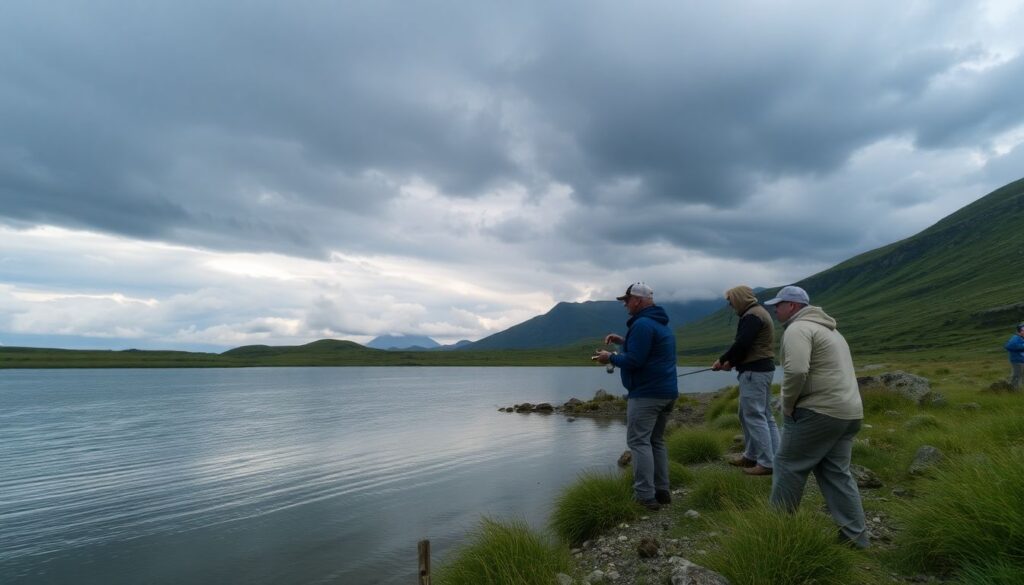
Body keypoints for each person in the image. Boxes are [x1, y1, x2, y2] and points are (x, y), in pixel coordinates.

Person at [763, 285, 869, 549]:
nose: (775, 308)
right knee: (836, 474)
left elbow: (797, 371)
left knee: (787, 465)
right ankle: (855, 539)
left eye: (780, 304)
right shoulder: (832, 331)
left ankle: (775, 536)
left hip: (818, 412)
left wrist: (787, 404)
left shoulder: (798, 329)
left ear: (794, 307)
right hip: (849, 413)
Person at [593, 282, 679, 511]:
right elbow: (647, 350)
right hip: (666, 393)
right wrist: (623, 341)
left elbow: (634, 361)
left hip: (647, 395)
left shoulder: (642, 325)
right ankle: (662, 491)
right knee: (656, 441)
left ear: (638, 301)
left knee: (639, 442)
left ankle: (644, 495)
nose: (625, 305)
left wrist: (609, 357)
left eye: (627, 300)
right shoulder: (659, 323)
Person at [712, 285, 779, 476]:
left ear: (739, 299)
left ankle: (766, 463)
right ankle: (753, 456)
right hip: (759, 370)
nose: (731, 306)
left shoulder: (752, 316)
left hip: (754, 373)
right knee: (757, 415)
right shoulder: (756, 313)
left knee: (756, 416)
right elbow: (745, 346)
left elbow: (742, 344)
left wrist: (724, 360)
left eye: (731, 301)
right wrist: (732, 362)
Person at [1006, 323, 1024, 391]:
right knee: (1017, 376)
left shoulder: (1021, 338)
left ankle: (1018, 390)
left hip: (1021, 360)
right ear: (1019, 331)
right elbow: (1009, 346)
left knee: (1020, 377)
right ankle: (1013, 391)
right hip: (1017, 361)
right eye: (1023, 330)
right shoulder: (1015, 338)